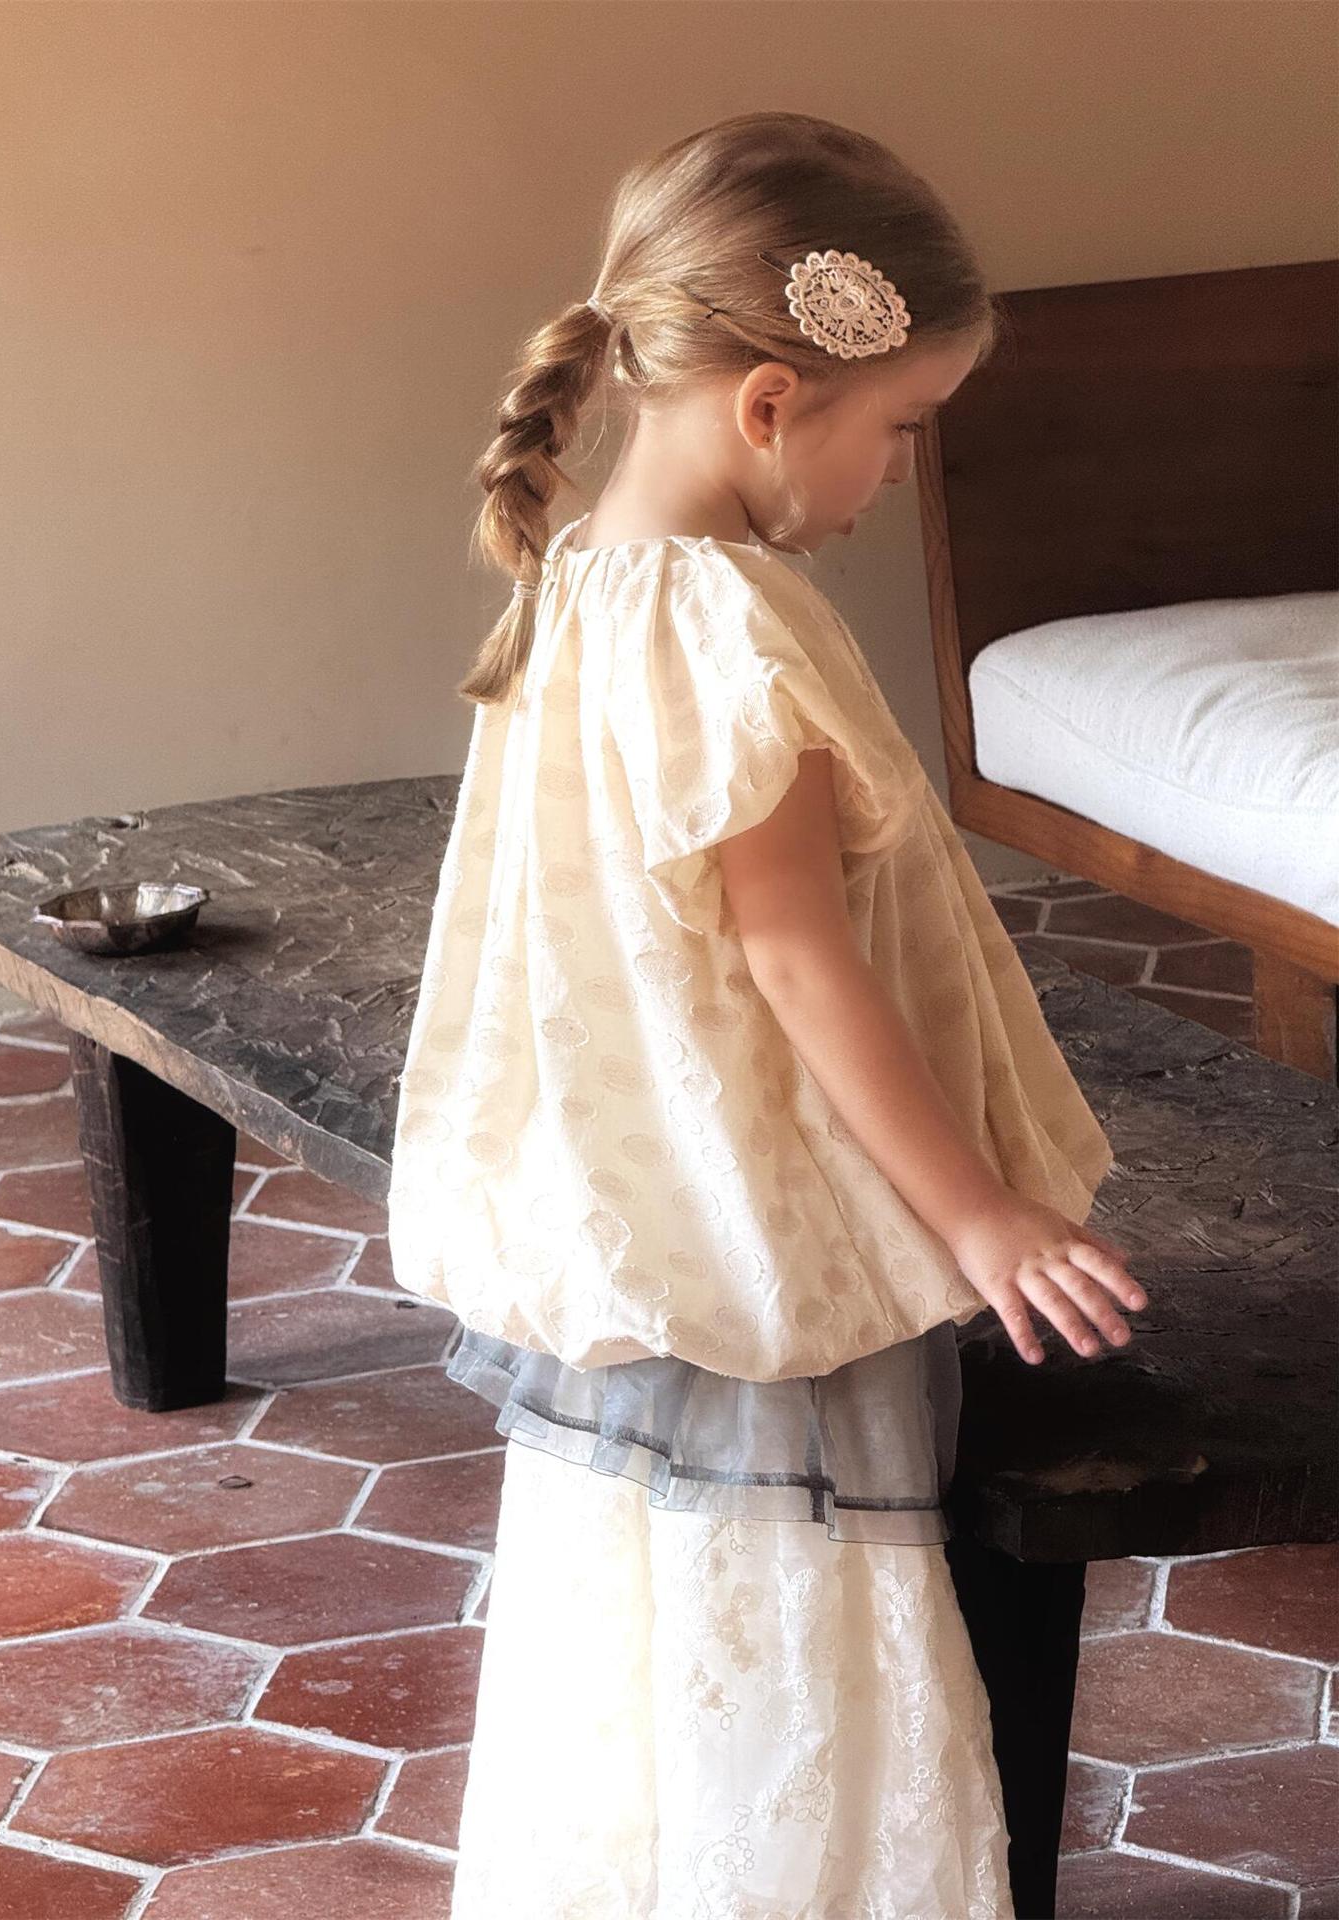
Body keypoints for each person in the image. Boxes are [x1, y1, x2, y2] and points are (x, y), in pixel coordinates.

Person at [386, 110, 1147, 1920]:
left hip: (658, 1202)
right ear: (771, 401)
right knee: (807, 1599)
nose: (897, 473)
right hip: (770, 1220)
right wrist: (979, 1212)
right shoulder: (729, 623)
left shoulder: (583, 574)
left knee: (662, 1591)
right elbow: (798, 958)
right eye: (906, 428)